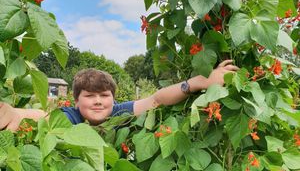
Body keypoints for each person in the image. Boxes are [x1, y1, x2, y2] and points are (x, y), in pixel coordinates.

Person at [0, 60, 238, 131]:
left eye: (104, 95)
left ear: (113, 98)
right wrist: (13, 113)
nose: (98, 101)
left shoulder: (119, 112)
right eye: (89, 95)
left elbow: (155, 99)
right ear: (76, 101)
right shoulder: (69, 116)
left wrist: (200, 81)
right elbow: (42, 116)